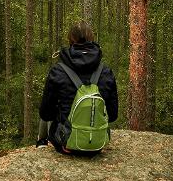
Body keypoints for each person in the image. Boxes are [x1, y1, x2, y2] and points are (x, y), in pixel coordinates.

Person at [37, 21, 118, 153]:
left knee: (48, 104)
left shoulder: (58, 71)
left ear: (70, 40)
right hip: (97, 144)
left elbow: (46, 114)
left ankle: (41, 142)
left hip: (66, 144)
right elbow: (113, 115)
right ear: (92, 39)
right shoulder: (106, 72)